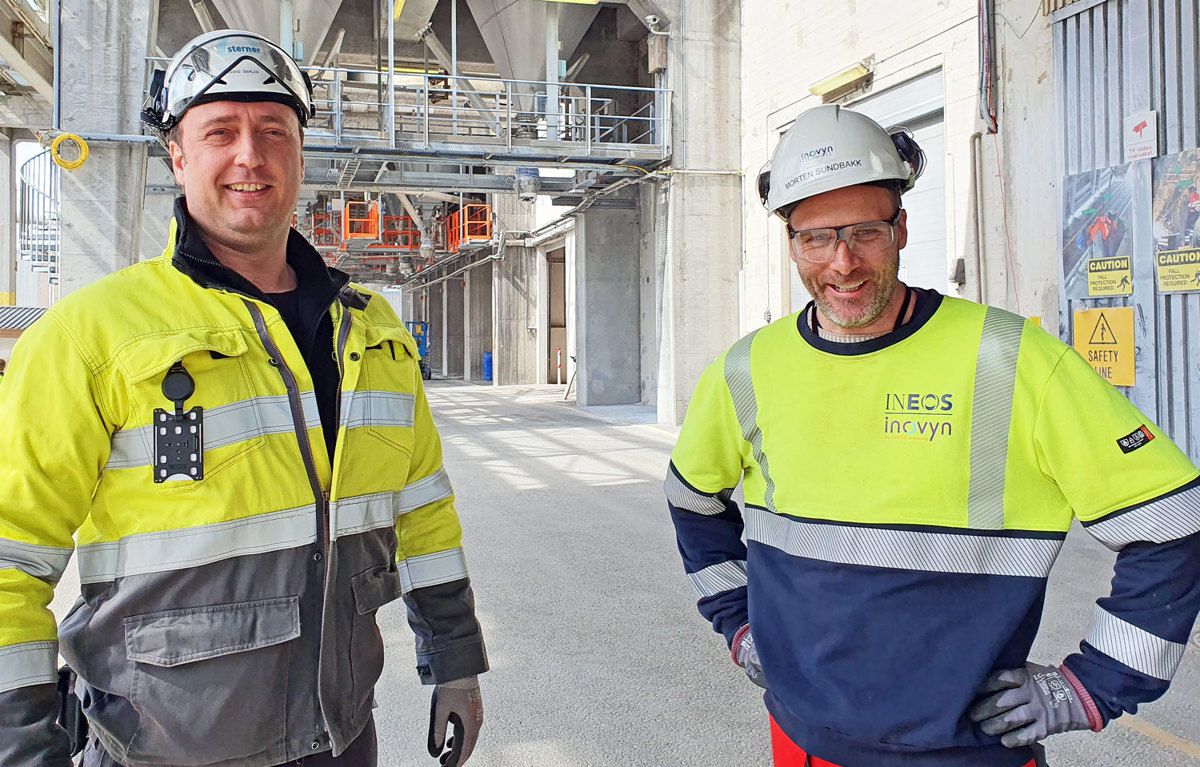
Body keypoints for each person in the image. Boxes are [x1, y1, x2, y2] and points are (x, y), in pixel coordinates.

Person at [0, 30, 487, 767]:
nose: (249, 156)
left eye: (272, 132)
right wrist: (21, 746)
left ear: (300, 151)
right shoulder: (89, 337)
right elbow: (11, 559)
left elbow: (422, 512)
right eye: (219, 131)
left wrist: (455, 657)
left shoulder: (372, 333)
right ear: (178, 155)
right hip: (162, 752)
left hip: (342, 737)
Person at [665, 104, 1200, 767]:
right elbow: (692, 500)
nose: (843, 262)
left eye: (865, 231)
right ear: (791, 241)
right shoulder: (746, 370)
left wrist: (1090, 686)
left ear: (902, 228)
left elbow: (1171, 521)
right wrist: (738, 621)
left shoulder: (1013, 360)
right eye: (815, 237)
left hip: (967, 752)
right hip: (802, 741)